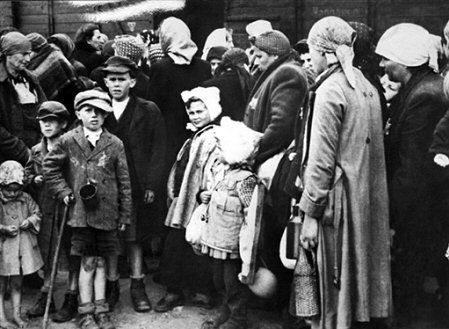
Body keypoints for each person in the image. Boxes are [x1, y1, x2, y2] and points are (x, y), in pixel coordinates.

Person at [298, 16, 392, 329]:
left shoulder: (329, 91)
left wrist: (310, 215)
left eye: (311, 52)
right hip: (364, 205)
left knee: (328, 295)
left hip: (335, 208)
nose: (310, 60)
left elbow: (321, 162)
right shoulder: (366, 86)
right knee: (352, 294)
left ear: (324, 53)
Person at [376, 23, 449, 325]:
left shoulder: (425, 96)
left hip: (420, 217)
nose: (381, 64)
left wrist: (391, 217)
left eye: (386, 58)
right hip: (418, 213)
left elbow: (413, 171)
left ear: (403, 60)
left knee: (414, 287)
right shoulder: (419, 89)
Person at [43, 89, 132, 329]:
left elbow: (124, 181)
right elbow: (49, 167)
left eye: (100, 112)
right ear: (79, 113)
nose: (94, 116)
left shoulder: (114, 143)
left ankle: (101, 309)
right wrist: (64, 192)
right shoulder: (68, 140)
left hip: (107, 213)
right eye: (89, 110)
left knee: (102, 261)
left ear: (106, 116)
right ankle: (86, 313)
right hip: (80, 215)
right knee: (87, 262)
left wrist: (124, 214)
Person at [102, 56, 166, 312]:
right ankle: (112, 285)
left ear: (132, 81)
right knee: (109, 237)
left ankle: (138, 286)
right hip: (106, 185)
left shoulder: (147, 109)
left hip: (136, 184)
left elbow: (158, 149)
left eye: (121, 79)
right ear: (105, 82)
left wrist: (152, 184)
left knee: (135, 236)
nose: (117, 84)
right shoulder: (98, 109)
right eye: (112, 80)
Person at [155, 86, 222, 313]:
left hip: (199, 201)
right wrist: (174, 192)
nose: (195, 116)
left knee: (197, 244)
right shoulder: (192, 137)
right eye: (192, 113)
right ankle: (174, 291)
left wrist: (206, 192)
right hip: (182, 200)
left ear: (211, 111)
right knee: (175, 244)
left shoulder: (213, 136)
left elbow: (216, 168)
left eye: (200, 112)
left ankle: (201, 290)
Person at [200, 118, 262, 329]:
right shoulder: (224, 173)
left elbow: (251, 214)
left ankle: (237, 318)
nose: (218, 150)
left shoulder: (246, 179)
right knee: (219, 280)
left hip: (233, 243)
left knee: (232, 282)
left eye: (222, 147)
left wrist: (248, 245)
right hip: (217, 239)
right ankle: (225, 311)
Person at [24, 101, 81, 322]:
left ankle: (72, 296)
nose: (47, 126)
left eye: (52, 121)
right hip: (46, 207)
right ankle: (46, 294)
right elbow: (28, 174)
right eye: (43, 122)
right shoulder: (37, 150)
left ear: (63, 124)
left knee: (71, 249)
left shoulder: (71, 146)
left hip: (69, 207)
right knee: (48, 251)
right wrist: (33, 179)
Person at [148, 17, 211, 186]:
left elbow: (153, 105)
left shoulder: (160, 68)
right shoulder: (204, 67)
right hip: (199, 133)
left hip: (169, 136)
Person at [0, 160, 43, 328]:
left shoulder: (25, 198)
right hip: (3, 248)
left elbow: (37, 213)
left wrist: (30, 221)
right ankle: (2, 318)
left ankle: (17, 315)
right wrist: (3, 228)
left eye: (16, 189)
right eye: (8, 189)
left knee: (18, 283)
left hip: (21, 248)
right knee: (1, 284)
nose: (12, 193)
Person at [0, 31, 47, 166]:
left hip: (37, 151)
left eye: (29, 53)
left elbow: (46, 110)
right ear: (8, 54)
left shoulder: (30, 79)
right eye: (23, 54)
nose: (28, 59)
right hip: (7, 158)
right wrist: (24, 153)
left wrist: (43, 144)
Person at [26, 33, 79, 123]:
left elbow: (71, 86)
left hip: (63, 106)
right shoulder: (32, 64)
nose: (26, 58)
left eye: (28, 53)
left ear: (37, 50)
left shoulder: (56, 59)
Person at [202, 48, 250, 121]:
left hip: (220, 127)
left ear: (223, 63)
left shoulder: (209, 85)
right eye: (212, 64)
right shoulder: (251, 81)